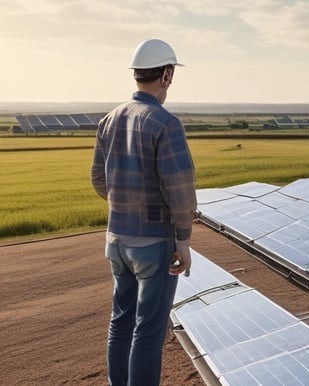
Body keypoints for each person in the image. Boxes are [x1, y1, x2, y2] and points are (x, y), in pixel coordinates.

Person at [90, 38, 197, 386]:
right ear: (166, 75)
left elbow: (98, 179)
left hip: (116, 240)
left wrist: (124, 206)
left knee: (120, 321)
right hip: (154, 244)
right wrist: (182, 240)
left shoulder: (110, 119)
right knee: (148, 331)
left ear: (136, 74)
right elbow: (180, 191)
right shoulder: (165, 124)